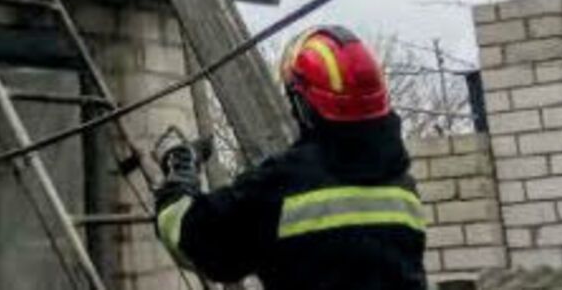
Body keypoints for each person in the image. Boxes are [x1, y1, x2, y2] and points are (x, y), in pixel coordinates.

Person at [154, 25, 429, 290]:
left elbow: (196, 242)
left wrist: (179, 175)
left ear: (303, 103)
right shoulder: (403, 187)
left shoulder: (282, 184)